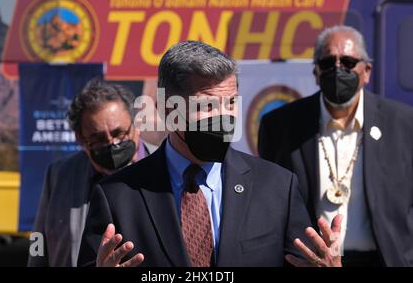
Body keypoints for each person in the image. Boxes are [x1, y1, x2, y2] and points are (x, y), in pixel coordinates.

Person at [78, 41, 342, 267]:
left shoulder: (277, 188)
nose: (223, 117)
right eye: (207, 105)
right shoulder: (117, 197)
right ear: (169, 111)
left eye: (230, 103)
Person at [258, 25, 413, 267]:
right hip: (311, 263)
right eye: (328, 62)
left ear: (367, 71)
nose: (338, 69)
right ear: (316, 72)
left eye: (349, 62)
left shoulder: (403, 124)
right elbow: (268, 204)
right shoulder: (280, 126)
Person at [28, 79, 149, 267]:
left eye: (119, 133)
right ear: (81, 139)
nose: (112, 143)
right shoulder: (60, 174)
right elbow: (38, 238)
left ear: (136, 126)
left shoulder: (163, 169)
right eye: (98, 138)